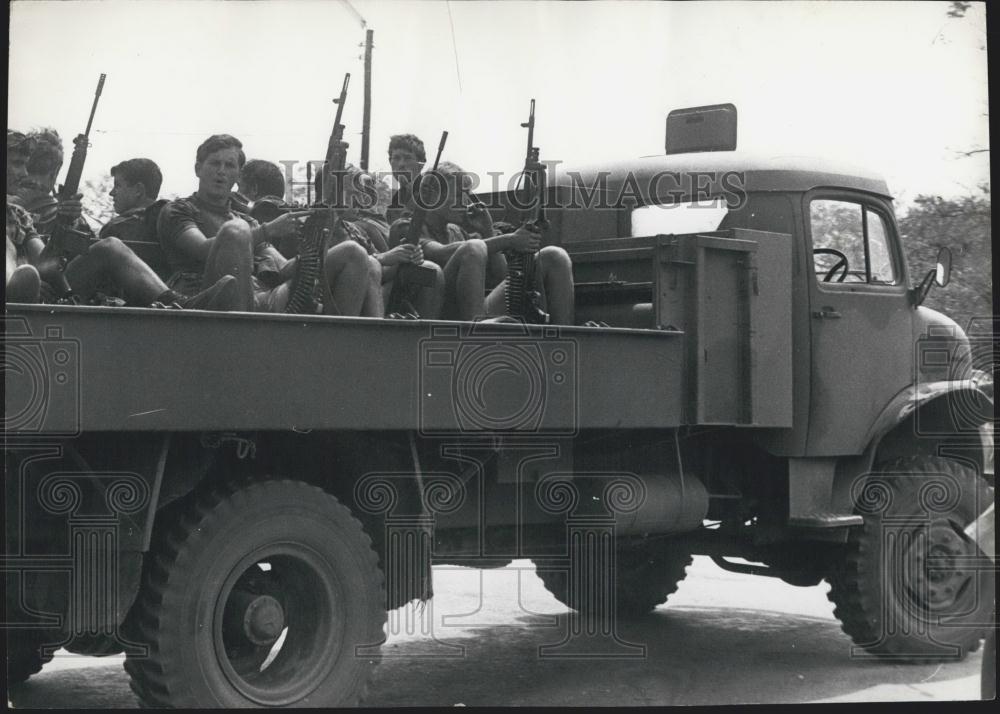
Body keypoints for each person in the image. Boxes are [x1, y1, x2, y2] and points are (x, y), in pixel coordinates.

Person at [11, 128, 237, 310]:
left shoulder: (18, 216)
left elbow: (43, 262)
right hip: (16, 296)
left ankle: (179, 304)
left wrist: (66, 220)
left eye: (25, 165)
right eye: (16, 164)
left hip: (38, 291)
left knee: (110, 247)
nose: (23, 174)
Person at [157, 135, 372, 315]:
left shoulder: (246, 220)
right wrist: (267, 230)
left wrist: (316, 241)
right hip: (202, 299)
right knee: (235, 232)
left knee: (353, 253)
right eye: (214, 163)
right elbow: (202, 249)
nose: (221, 171)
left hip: (256, 297)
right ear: (198, 169)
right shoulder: (179, 210)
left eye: (229, 165)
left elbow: (282, 269)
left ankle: (337, 354)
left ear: (237, 176)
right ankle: (242, 336)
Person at [388, 162, 574, 324]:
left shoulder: (457, 232)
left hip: (472, 309)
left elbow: (502, 276)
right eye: (460, 195)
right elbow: (440, 253)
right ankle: (475, 330)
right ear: (434, 196)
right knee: (473, 247)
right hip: (437, 313)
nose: (466, 202)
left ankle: (565, 334)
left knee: (554, 256)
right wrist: (508, 240)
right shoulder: (405, 227)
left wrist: (488, 230)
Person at [318, 163, 444, 319]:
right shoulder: (308, 228)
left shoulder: (355, 231)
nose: (361, 201)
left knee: (429, 271)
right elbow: (303, 273)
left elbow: (380, 274)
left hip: (363, 301)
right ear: (332, 194)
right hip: (327, 307)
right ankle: (377, 332)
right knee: (371, 263)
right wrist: (382, 258)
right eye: (353, 194)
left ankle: (418, 337)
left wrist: (403, 257)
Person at [99, 158, 167, 242]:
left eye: (117, 186)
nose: (111, 193)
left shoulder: (116, 229)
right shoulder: (172, 225)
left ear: (138, 190)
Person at [386, 133, 426, 224]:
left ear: (421, 164)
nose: (401, 164)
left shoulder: (430, 197)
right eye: (396, 158)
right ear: (390, 161)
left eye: (408, 158)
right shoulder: (398, 198)